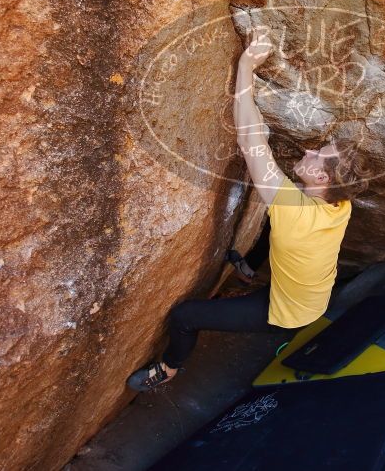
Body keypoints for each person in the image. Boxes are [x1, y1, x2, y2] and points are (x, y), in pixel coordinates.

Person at [127, 29, 370, 391]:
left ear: (320, 176)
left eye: (316, 155)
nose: (308, 151)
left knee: (185, 315)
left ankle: (168, 368)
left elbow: (248, 137)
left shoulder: (293, 212)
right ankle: (246, 269)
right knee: (274, 235)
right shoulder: (340, 201)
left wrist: (246, 65)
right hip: (311, 295)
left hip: (287, 313)